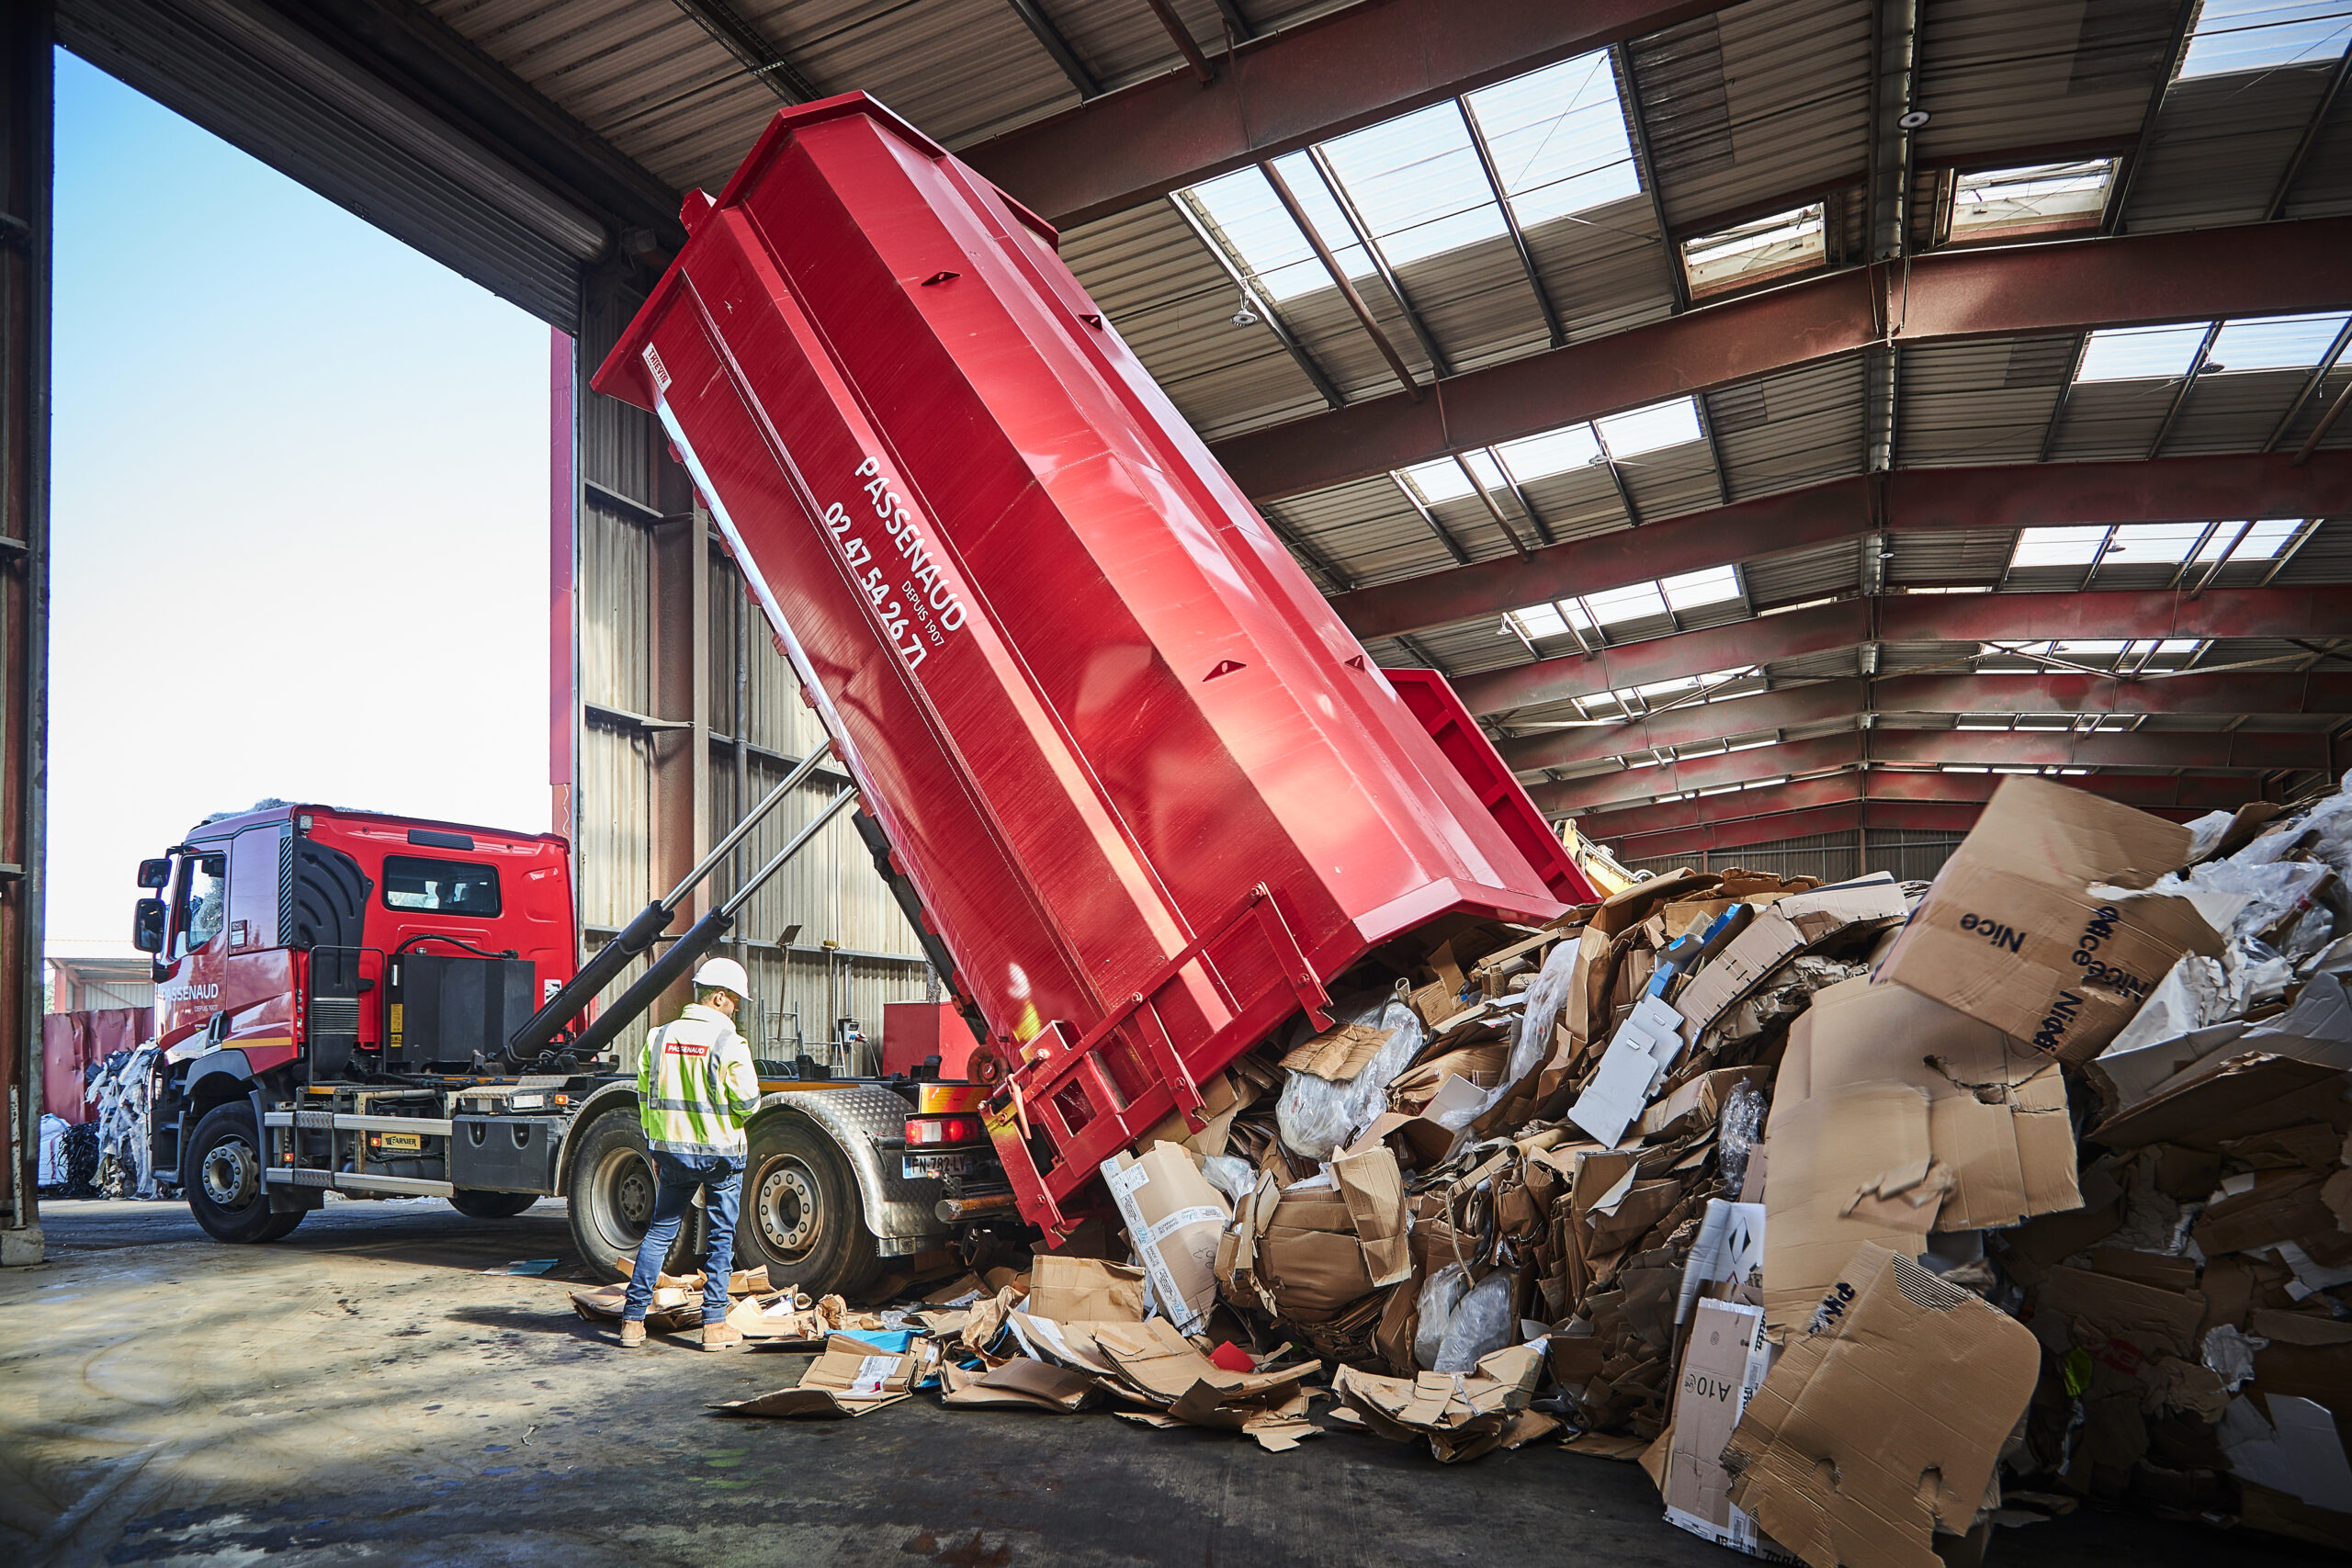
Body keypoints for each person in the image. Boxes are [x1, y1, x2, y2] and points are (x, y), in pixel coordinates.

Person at [616, 957, 762, 1349]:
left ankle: (632, 1321)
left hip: (673, 1153)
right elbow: (748, 1103)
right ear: (718, 997)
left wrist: (656, 1145)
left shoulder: (658, 1038)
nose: (736, 1009)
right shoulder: (729, 1043)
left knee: (660, 1233)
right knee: (720, 1237)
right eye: (734, 1001)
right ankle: (714, 1327)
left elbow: (645, 1100)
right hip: (721, 1156)